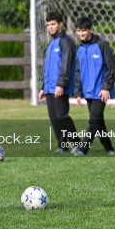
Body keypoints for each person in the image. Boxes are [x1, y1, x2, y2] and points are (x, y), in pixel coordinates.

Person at [38, 11, 81, 154]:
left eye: (53, 24)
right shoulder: (51, 44)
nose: (50, 27)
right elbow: (48, 69)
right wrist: (43, 87)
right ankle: (62, 146)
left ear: (61, 25)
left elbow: (66, 65)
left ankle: (77, 144)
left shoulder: (66, 42)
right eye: (48, 24)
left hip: (59, 87)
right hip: (49, 88)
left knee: (62, 116)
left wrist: (61, 84)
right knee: (54, 118)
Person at [74, 16, 115, 156]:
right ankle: (109, 148)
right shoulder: (79, 49)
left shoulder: (102, 44)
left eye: (84, 30)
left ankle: (83, 149)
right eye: (79, 31)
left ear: (91, 30)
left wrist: (106, 88)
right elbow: (78, 72)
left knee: (93, 121)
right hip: (88, 92)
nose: (82, 34)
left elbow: (111, 68)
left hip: (100, 91)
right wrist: (79, 93)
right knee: (98, 122)